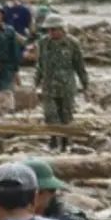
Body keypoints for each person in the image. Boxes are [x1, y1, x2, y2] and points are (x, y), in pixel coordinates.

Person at [35, 21, 90, 149]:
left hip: (66, 86)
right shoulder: (43, 43)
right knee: (50, 114)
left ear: (61, 29)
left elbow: (80, 66)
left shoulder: (72, 43)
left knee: (66, 116)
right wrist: (35, 83)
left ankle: (65, 142)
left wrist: (85, 86)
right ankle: (53, 140)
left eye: (54, 29)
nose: (51, 32)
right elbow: (40, 64)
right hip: (48, 86)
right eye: (49, 30)